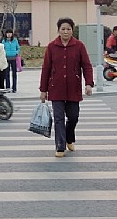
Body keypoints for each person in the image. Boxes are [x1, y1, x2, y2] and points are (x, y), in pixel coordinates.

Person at [40, 17, 94, 157]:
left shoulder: (79, 46)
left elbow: (87, 66)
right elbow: (46, 68)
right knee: (58, 118)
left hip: (73, 88)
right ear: (58, 30)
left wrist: (88, 83)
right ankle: (60, 146)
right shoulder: (52, 47)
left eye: (68, 29)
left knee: (73, 117)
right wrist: (43, 90)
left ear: (72, 30)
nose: (65, 31)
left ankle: (69, 138)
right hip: (56, 88)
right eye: (63, 29)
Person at [2, 29, 20, 93]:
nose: (9, 34)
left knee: (14, 74)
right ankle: (8, 87)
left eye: (10, 33)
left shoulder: (15, 40)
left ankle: (14, 88)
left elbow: (18, 48)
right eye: (7, 33)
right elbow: (2, 48)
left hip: (14, 59)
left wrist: (16, 52)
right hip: (6, 59)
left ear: (12, 34)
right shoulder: (4, 41)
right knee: (7, 74)